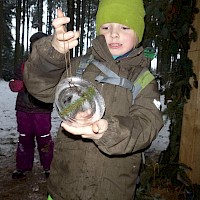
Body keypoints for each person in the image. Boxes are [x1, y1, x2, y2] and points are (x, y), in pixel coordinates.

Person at [23, 0, 164, 199]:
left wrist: (109, 131)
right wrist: (53, 53)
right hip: (63, 188)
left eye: (124, 27)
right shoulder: (79, 65)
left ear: (138, 34)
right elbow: (40, 87)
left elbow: (147, 123)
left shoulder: (143, 80)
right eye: (106, 27)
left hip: (112, 190)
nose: (114, 33)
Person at [9, 32, 54, 179]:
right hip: (23, 109)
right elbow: (15, 81)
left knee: (44, 138)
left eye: (41, 44)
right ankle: (22, 167)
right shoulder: (24, 63)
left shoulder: (51, 65)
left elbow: (52, 84)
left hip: (42, 109)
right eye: (35, 44)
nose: (37, 47)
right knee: (24, 137)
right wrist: (16, 84)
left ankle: (48, 167)